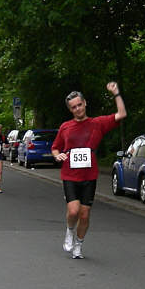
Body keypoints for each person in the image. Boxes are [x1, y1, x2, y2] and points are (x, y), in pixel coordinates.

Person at [51, 82, 127, 259]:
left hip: (89, 176)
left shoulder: (97, 123)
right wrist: (57, 155)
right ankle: (69, 231)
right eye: (73, 107)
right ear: (70, 110)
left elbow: (122, 114)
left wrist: (116, 93)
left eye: (79, 105)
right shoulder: (65, 127)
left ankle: (79, 244)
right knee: (73, 211)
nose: (77, 109)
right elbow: (55, 147)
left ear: (85, 103)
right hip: (69, 174)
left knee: (84, 215)